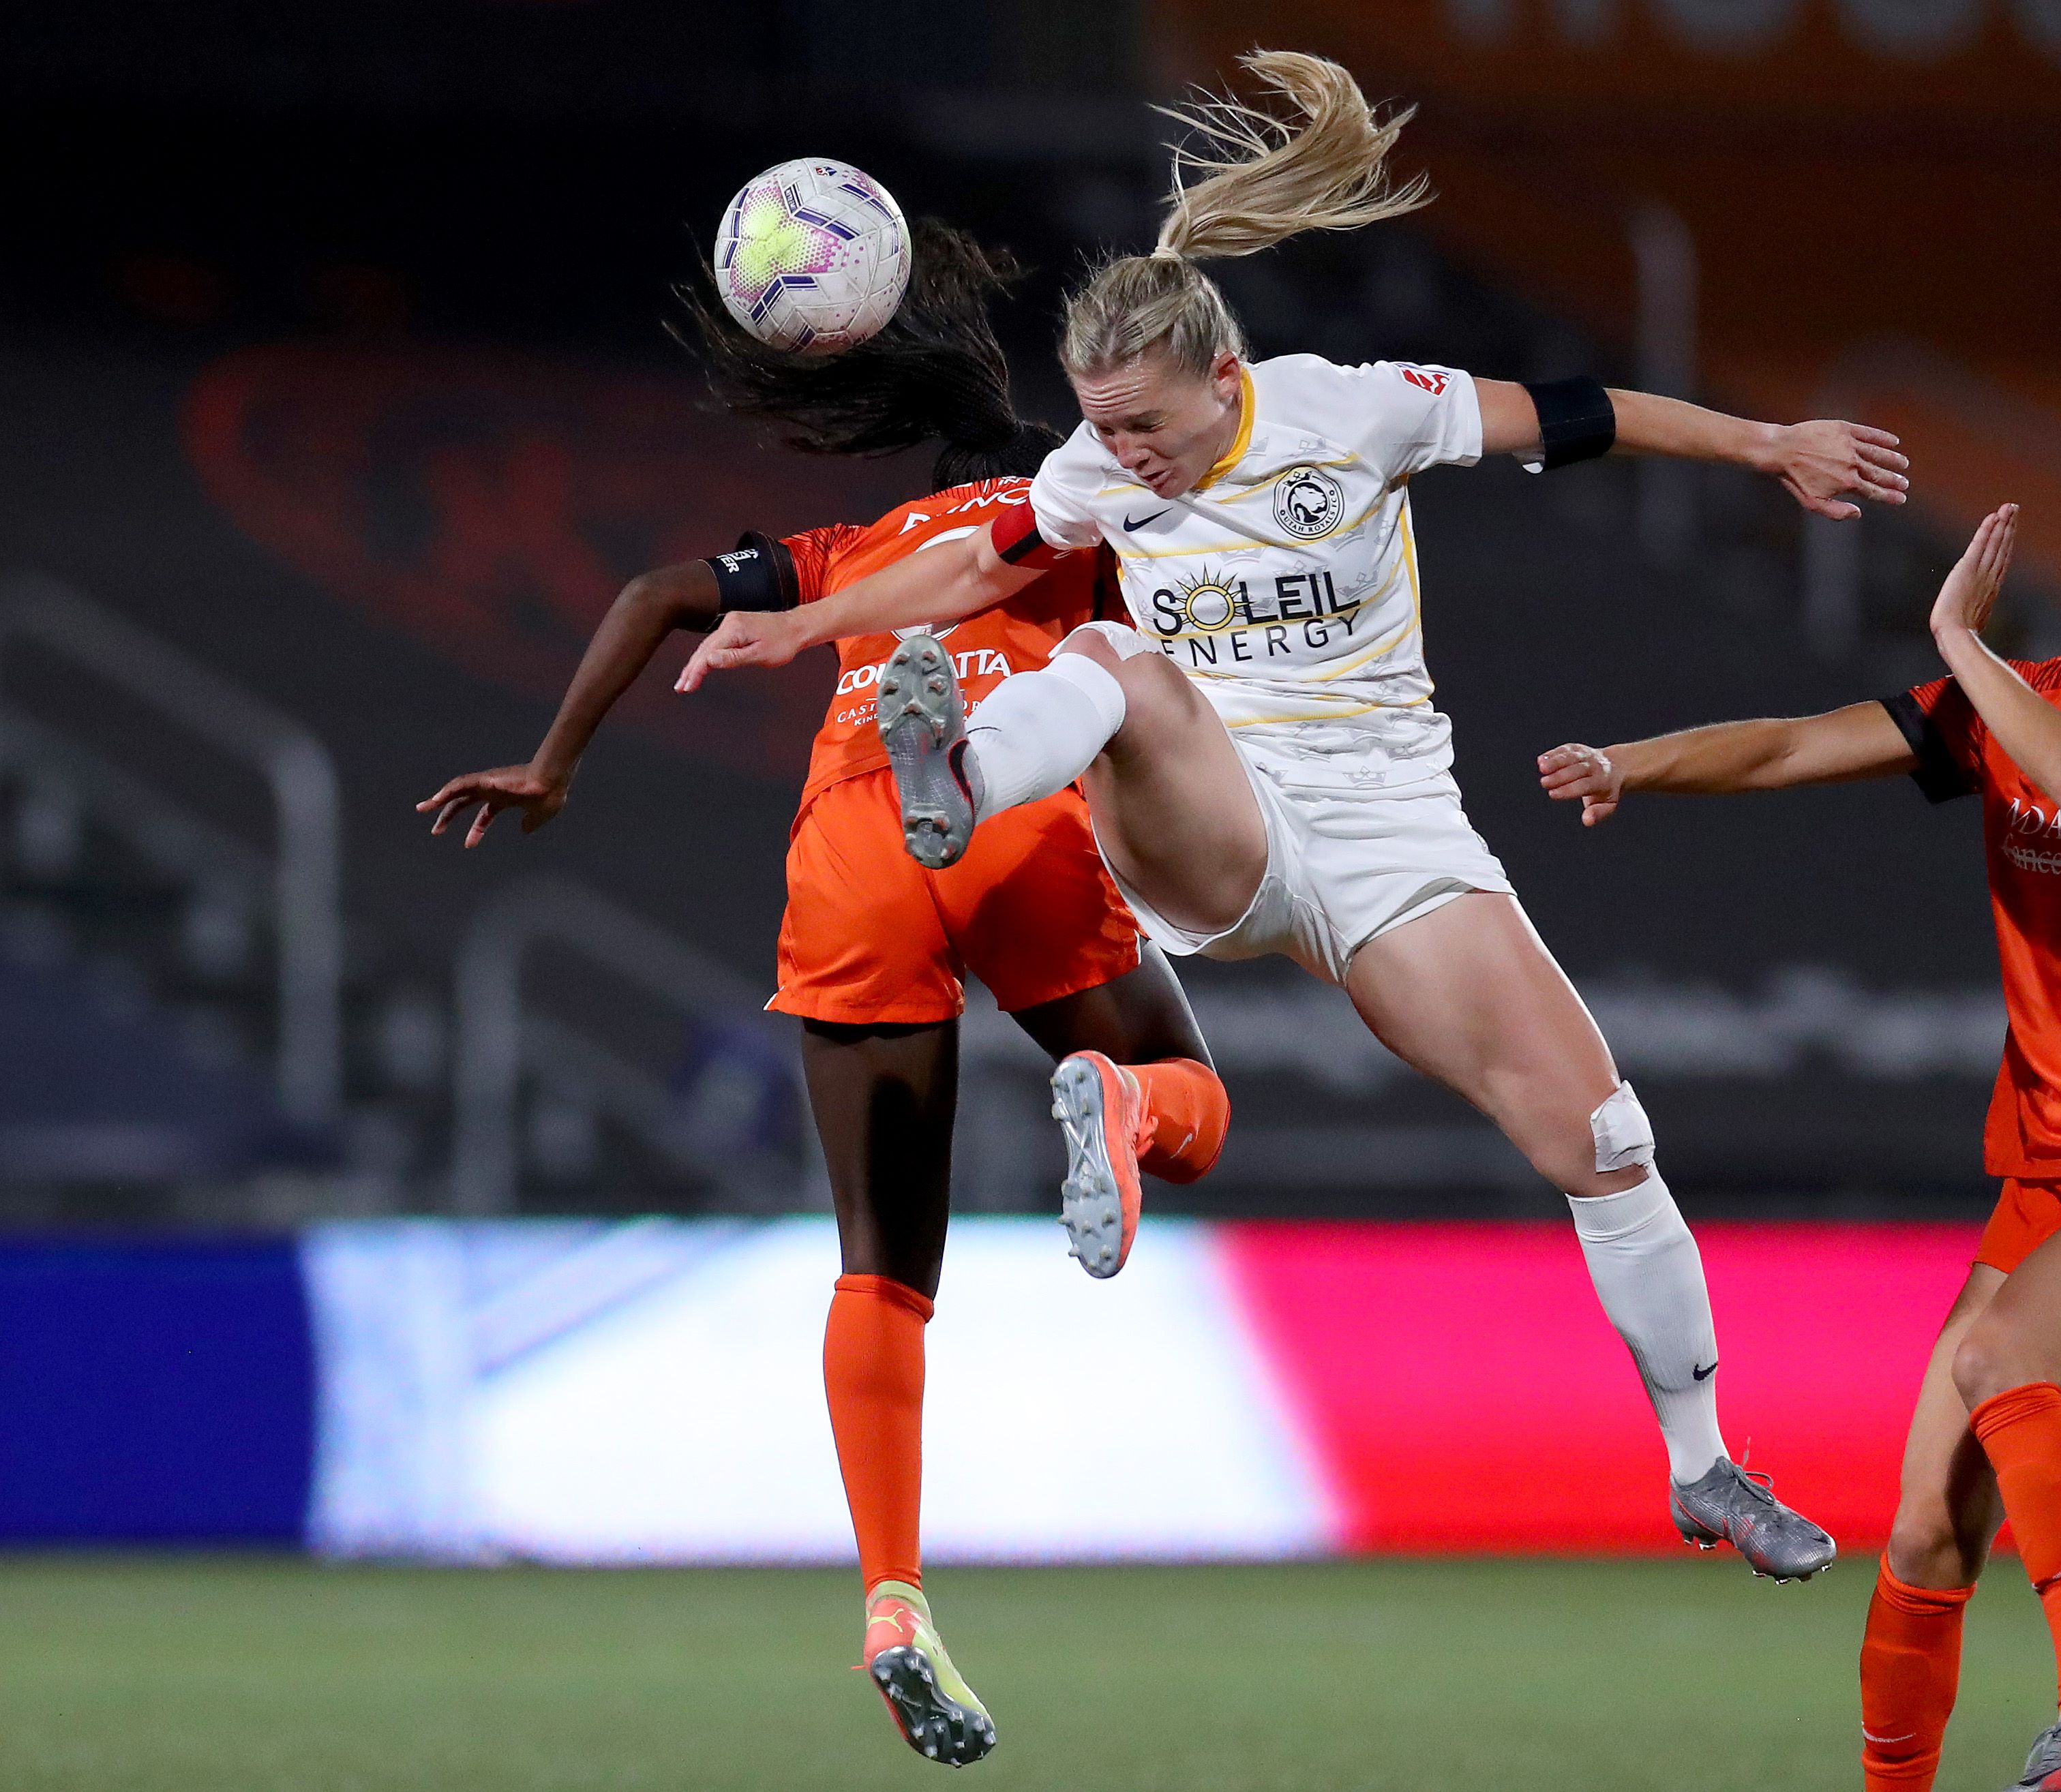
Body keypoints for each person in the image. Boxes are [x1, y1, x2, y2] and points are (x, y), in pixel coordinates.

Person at [676, 49, 1912, 1579]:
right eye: (1099, 431)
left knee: (1603, 1136)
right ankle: (962, 783)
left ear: (1224, 377)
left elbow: (1574, 415)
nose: (1120, 457)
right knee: (1113, 655)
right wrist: (800, 627)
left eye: (1143, 428)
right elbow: (974, 567)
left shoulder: (1358, 412)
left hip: (1396, 843)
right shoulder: (1095, 471)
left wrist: (1765, 443)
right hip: (1211, 816)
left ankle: (1705, 1464)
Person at [417, 219, 1235, 1770]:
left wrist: (554, 762)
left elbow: (665, 587)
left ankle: (890, 1599)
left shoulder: (857, 550)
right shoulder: (1077, 499)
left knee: (884, 1268)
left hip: (854, 835)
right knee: (1196, 1110)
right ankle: (1118, 1099)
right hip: (1005, 797)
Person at [1539, 404, 2061, 1792]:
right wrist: (1634, 764)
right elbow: (1798, 745)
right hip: (2053, 1169)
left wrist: (1963, 647)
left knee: (1999, 1361)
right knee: (1921, 1527)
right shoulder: (2035, 696)